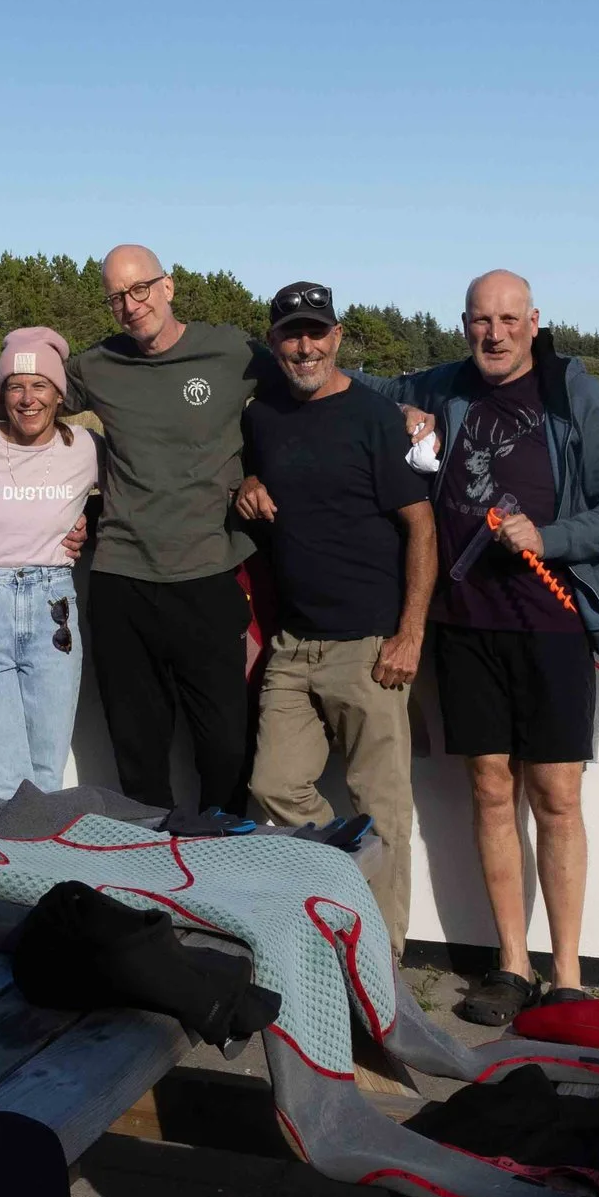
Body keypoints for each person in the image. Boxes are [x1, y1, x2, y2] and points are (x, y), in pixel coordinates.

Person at [365, 270, 599, 1024]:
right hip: (464, 622)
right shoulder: (446, 383)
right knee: (489, 788)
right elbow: (352, 383)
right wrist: (403, 411)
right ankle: (511, 967)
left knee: (556, 795)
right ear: (465, 325)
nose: (493, 333)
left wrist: (547, 538)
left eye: (508, 320)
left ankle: (570, 976)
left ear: (533, 322)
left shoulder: (572, 389)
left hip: (553, 620)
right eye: (480, 321)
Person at [233, 282, 434, 955]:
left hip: (371, 644)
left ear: (338, 336)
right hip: (294, 644)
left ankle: (381, 964)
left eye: (316, 332)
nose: (304, 346)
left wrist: (410, 633)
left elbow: (421, 527)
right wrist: (247, 486)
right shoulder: (261, 418)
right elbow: (253, 485)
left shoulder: (377, 417)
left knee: (383, 810)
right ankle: (341, 895)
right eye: (291, 334)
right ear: (273, 342)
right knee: (272, 786)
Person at [63, 243, 266, 813]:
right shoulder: (99, 364)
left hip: (208, 572)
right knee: (138, 754)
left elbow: (308, 389)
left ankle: (221, 876)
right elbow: (27, 398)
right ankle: (153, 886)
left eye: (140, 289)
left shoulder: (230, 351)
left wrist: (407, 405)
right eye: (116, 298)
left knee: (227, 748)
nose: (130, 305)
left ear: (168, 286)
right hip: (122, 577)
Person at [0, 328, 100, 808]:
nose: (28, 398)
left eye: (40, 386)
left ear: (59, 394)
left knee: (45, 766)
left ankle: (40, 879)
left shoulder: (88, 449)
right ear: (1, 394)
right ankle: (1, 880)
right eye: (15, 385)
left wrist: (87, 523)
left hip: (52, 606)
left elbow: (136, 495)